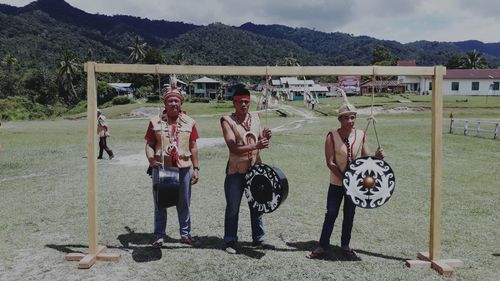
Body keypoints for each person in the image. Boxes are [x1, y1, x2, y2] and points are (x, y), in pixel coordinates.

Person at [306, 102, 384, 259]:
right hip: (336, 183)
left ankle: (345, 245)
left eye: (353, 117)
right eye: (346, 118)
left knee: (350, 214)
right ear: (340, 120)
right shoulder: (331, 136)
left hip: (355, 185)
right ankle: (322, 246)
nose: (350, 121)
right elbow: (330, 162)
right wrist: (345, 179)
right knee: (331, 213)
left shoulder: (361, 134)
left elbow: (366, 157)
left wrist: (376, 157)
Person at [144, 88, 201, 248]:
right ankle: (159, 235)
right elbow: (149, 144)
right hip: (161, 168)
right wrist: (150, 159)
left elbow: (194, 146)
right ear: (165, 103)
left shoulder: (190, 122)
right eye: (170, 101)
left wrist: (196, 168)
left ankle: (185, 234)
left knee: (184, 203)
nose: (173, 103)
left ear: (181, 102)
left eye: (176, 101)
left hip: (183, 168)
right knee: (160, 203)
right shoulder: (155, 122)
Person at [220, 86, 273, 254]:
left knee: (257, 205)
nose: (244, 104)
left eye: (246, 101)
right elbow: (233, 147)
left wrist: (265, 137)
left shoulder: (256, 117)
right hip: (236, 172)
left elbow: (258, 138)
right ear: (234, 103)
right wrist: (256, 145)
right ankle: (230, 240)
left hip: (255, 170)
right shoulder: (227, 120)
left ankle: (259, 238)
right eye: (240, 101)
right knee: (233, 207)